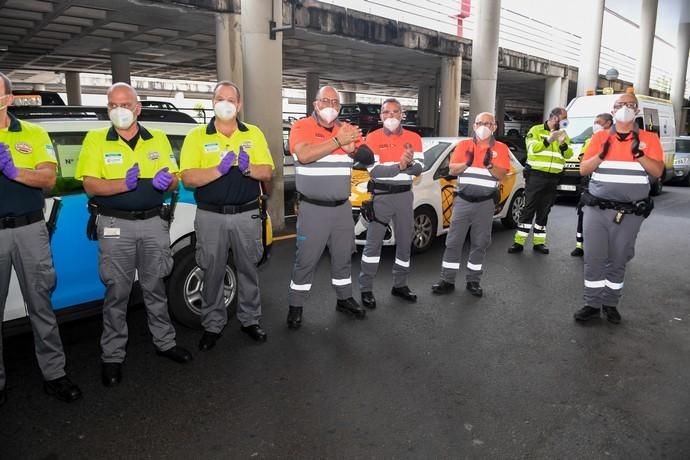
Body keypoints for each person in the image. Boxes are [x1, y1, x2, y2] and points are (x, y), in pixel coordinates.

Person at [75, 82, 192, 387]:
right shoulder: (96, 139)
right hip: (115, 225)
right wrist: (121, 185)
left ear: (137, 108)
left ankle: (165, 343)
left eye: (125, 105)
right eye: (113, 105)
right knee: (117, 292)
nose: (119, 110)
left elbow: (173, 180)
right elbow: (90, 184)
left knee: (155, 286)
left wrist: (167, 182)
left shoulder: (158, 138)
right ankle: (112, 355)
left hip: (154, 222)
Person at [0, 72, 82, 406]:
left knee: (41, 305)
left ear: (8, 98)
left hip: (29, 229)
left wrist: (14, 171)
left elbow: (49, 178)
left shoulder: (33, 133)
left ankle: (55, 374)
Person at [180, 81, 274, 350]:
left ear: (239, 105)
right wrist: (218, 170)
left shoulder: (253, 133)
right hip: (211, 216)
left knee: (248, 269)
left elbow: (267, 171)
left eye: (230, 99)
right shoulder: (197, 136)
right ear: (212, 102)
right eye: (220, 98)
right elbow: (188, 177)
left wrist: (248, 169)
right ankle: (212, 324)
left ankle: (250, 320)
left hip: (246, 214)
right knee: (212, 270)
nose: (225, 103)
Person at [286, 85, 373, 329]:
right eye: (326, 101)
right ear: (316, 104)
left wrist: (353, 148)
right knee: (306, 259)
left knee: (343, 256)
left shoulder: (345, 130)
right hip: (314, 208)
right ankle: (295, 305)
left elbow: (368, 157)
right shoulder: (302, 127)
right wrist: (337, 141)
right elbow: (304, 155)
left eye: (336, 103)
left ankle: (344, 298)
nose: (331, 107)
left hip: (342, 208)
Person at [574, 92, 663, 324]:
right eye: (620, 105)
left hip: (630, 212)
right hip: (596, 209)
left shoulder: (650, 139)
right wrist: (600, 157)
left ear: (637, 111)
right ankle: (592, 304)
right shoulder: (600, 137)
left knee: (618, 257)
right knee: (593, 257)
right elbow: (584, 170)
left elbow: (657, 172)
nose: (625, 108)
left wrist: (640, 155)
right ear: (613, 111)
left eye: (630, 105)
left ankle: (611, 303)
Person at [431, 112, 511, 297]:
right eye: (480, 123)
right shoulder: (464, 145)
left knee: (480, 243)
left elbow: (502, 176)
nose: (484, 126)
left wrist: (490, 165)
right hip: (463, 201)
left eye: (488, 123)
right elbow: (452, 169)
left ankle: (473, 281)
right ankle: (447, 280)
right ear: (474, 126)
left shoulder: (501, 148)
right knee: (453, 242)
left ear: (494, 127)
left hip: (485, 203)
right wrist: (467, 163)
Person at [358, 98, 423, 309]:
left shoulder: (414, 138)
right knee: (373, 244)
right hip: (382, 198)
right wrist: (401, 165)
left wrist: (410, 164)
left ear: (402, 114)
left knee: (405, 243)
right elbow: (375, 171)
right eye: (387, 112)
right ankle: (366, 289)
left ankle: (400, 285)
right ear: (381, 116)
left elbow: (420, 168)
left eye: (396, 112)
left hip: (405, 197)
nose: (391, 116)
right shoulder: (373, 137)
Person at [508, 107, 573, 254]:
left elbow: (569, 154)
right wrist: (548, 140)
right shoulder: (536, 130)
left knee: (544, 211)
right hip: (536, 176)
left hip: (553, 178)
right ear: (555, 118)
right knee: (528, 208)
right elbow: (532, 149)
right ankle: (518, 243)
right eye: (564, 118)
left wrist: (562, 144)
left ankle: (539, 243)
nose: (566, 121)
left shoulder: (564, 134)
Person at [570, 113, 613, 257]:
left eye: (598, 122)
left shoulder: (615, 140)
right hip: (589, 182)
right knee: (583, 213)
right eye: (594, 121)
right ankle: (579, 245)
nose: (595, 124)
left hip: (608, 184)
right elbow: (583, 160)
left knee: (607, 216)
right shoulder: (590, 140)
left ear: (608, 123)